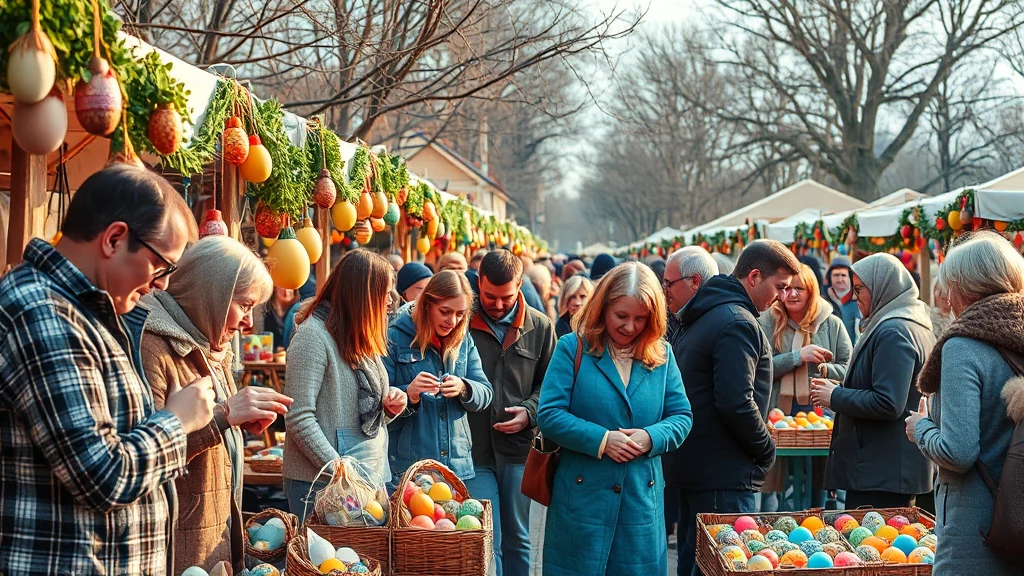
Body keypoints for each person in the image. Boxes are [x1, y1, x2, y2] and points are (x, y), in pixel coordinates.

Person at [0, 165, 215, 575]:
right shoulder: (43, 314)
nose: (162, 285)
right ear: (115, 239)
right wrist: (177, 419)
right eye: (161, 265)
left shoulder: (87, 314)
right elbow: (102, 474)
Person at [137, 236, 293, 573]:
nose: (248, 323)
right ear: (212, 293)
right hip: (180, 544)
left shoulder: (211, 346)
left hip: (213, 536)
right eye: (244, 304)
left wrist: (234, 425)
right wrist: (222, 417)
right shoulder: (153, 349)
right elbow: (145, 458)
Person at [537, 262, 692, 576]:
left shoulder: (663, 354)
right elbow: (549, 414)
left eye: (640, 318)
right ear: (602, 308)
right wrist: (602, 441)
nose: (630, 327)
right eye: (621, 316)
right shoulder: (572, 347)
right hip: (581, 500)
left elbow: (682, 417)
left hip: (640, 502)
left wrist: (651, 437)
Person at [670, 239, 800, 576]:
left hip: (696, 468)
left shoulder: (708, 313)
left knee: (694, 562)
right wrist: (766, 450)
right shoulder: (736, 321)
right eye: (780, 287)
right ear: (754, 277)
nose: (783, 297)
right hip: (722, 475)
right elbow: (735, 401)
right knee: (722, 566)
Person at [906, 231, 1024, 575]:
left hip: (976, 528)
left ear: (963, 287)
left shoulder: (963, 346)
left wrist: (921, 428)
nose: (946, 297)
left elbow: (959, 453)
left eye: (949, 285)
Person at [284, 250, 409, 520]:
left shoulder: (360, 336)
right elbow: (298, 416)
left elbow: (364, 411)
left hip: (364, 477)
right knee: (333, 562)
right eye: (385, 293)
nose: (391, 301)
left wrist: (389, 405)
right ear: (363, 296)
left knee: (362, 561)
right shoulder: (313, 337)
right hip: (320, 485)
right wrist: (339, 470)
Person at [811, 253, 935, 509]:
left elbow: (888, 401)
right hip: (883, 471)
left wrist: (834, 396)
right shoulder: (901, 323)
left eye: (859, 289)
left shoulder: (894, 330)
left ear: (882, 288)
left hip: (882, 474)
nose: (854, 297)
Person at [465, 250, 557, 576]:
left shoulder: (541, 327)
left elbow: (552, 384)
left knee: (518, 537)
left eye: (506, 297)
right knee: (485, 536)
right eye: (490, 296)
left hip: (519, 450)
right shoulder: (462, 321)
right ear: (478, 282)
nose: (498, 304)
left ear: (520, 284)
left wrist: (530, 412)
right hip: (472, 449)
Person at [756, 264, 852, 511]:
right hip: (777, 414)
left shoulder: (831, 324)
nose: (793, 294)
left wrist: (822, 369)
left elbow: (849, 369)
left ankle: (814, 520)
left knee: (818, 481)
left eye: (800, 288)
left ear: (812, 291)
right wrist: (797, 356)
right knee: (771, 480)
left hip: (820, 415)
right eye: (787, 288)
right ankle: (769, 524)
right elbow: (759, 367)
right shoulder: (768, 321)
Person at [385, 271, 493, 481]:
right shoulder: (395, 336)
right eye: (445, 311)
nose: (452, 321)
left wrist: (464, 387)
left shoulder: (464, 339)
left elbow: (486, 392)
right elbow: (378, 402)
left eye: (460, 314)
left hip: (456, 467)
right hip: (409, 467)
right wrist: (409, 394)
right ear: (427, 304)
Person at [660, 246, 718, 543]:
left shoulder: (722, 322)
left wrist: (761, 451)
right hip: (688, 463)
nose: (665, 290)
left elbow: (736, 402)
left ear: (695, 281)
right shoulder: (687, 319)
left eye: (669, 283)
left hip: (711, 467)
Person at [824, 256, 861, 344]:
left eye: (843, 275)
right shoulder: (823, 302)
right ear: (830, 277)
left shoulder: (859, 301)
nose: (840, 279)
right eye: (836, 275)